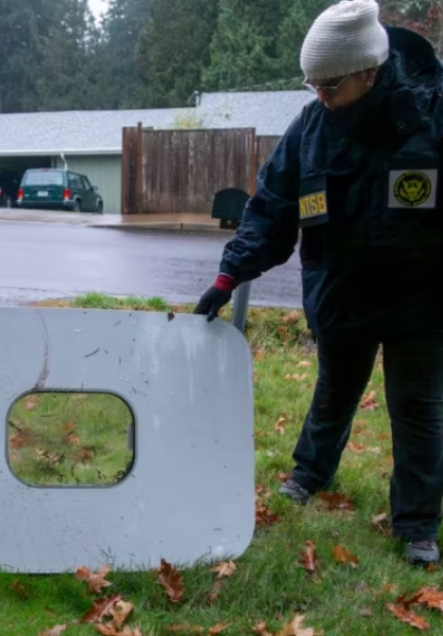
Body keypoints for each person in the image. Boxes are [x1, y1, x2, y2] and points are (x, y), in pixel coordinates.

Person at [194, 0, 443, 566]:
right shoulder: (310, 128)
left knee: (419, 411)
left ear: (369, 73)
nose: (320, 97)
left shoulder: (430, 118)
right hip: (341, 298)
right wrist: (231, 272)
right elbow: (273, 207)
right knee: (333, 393)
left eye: (330, 86)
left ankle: (417, 525)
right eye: (313, 85)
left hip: (421, 303)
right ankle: (309, 473)